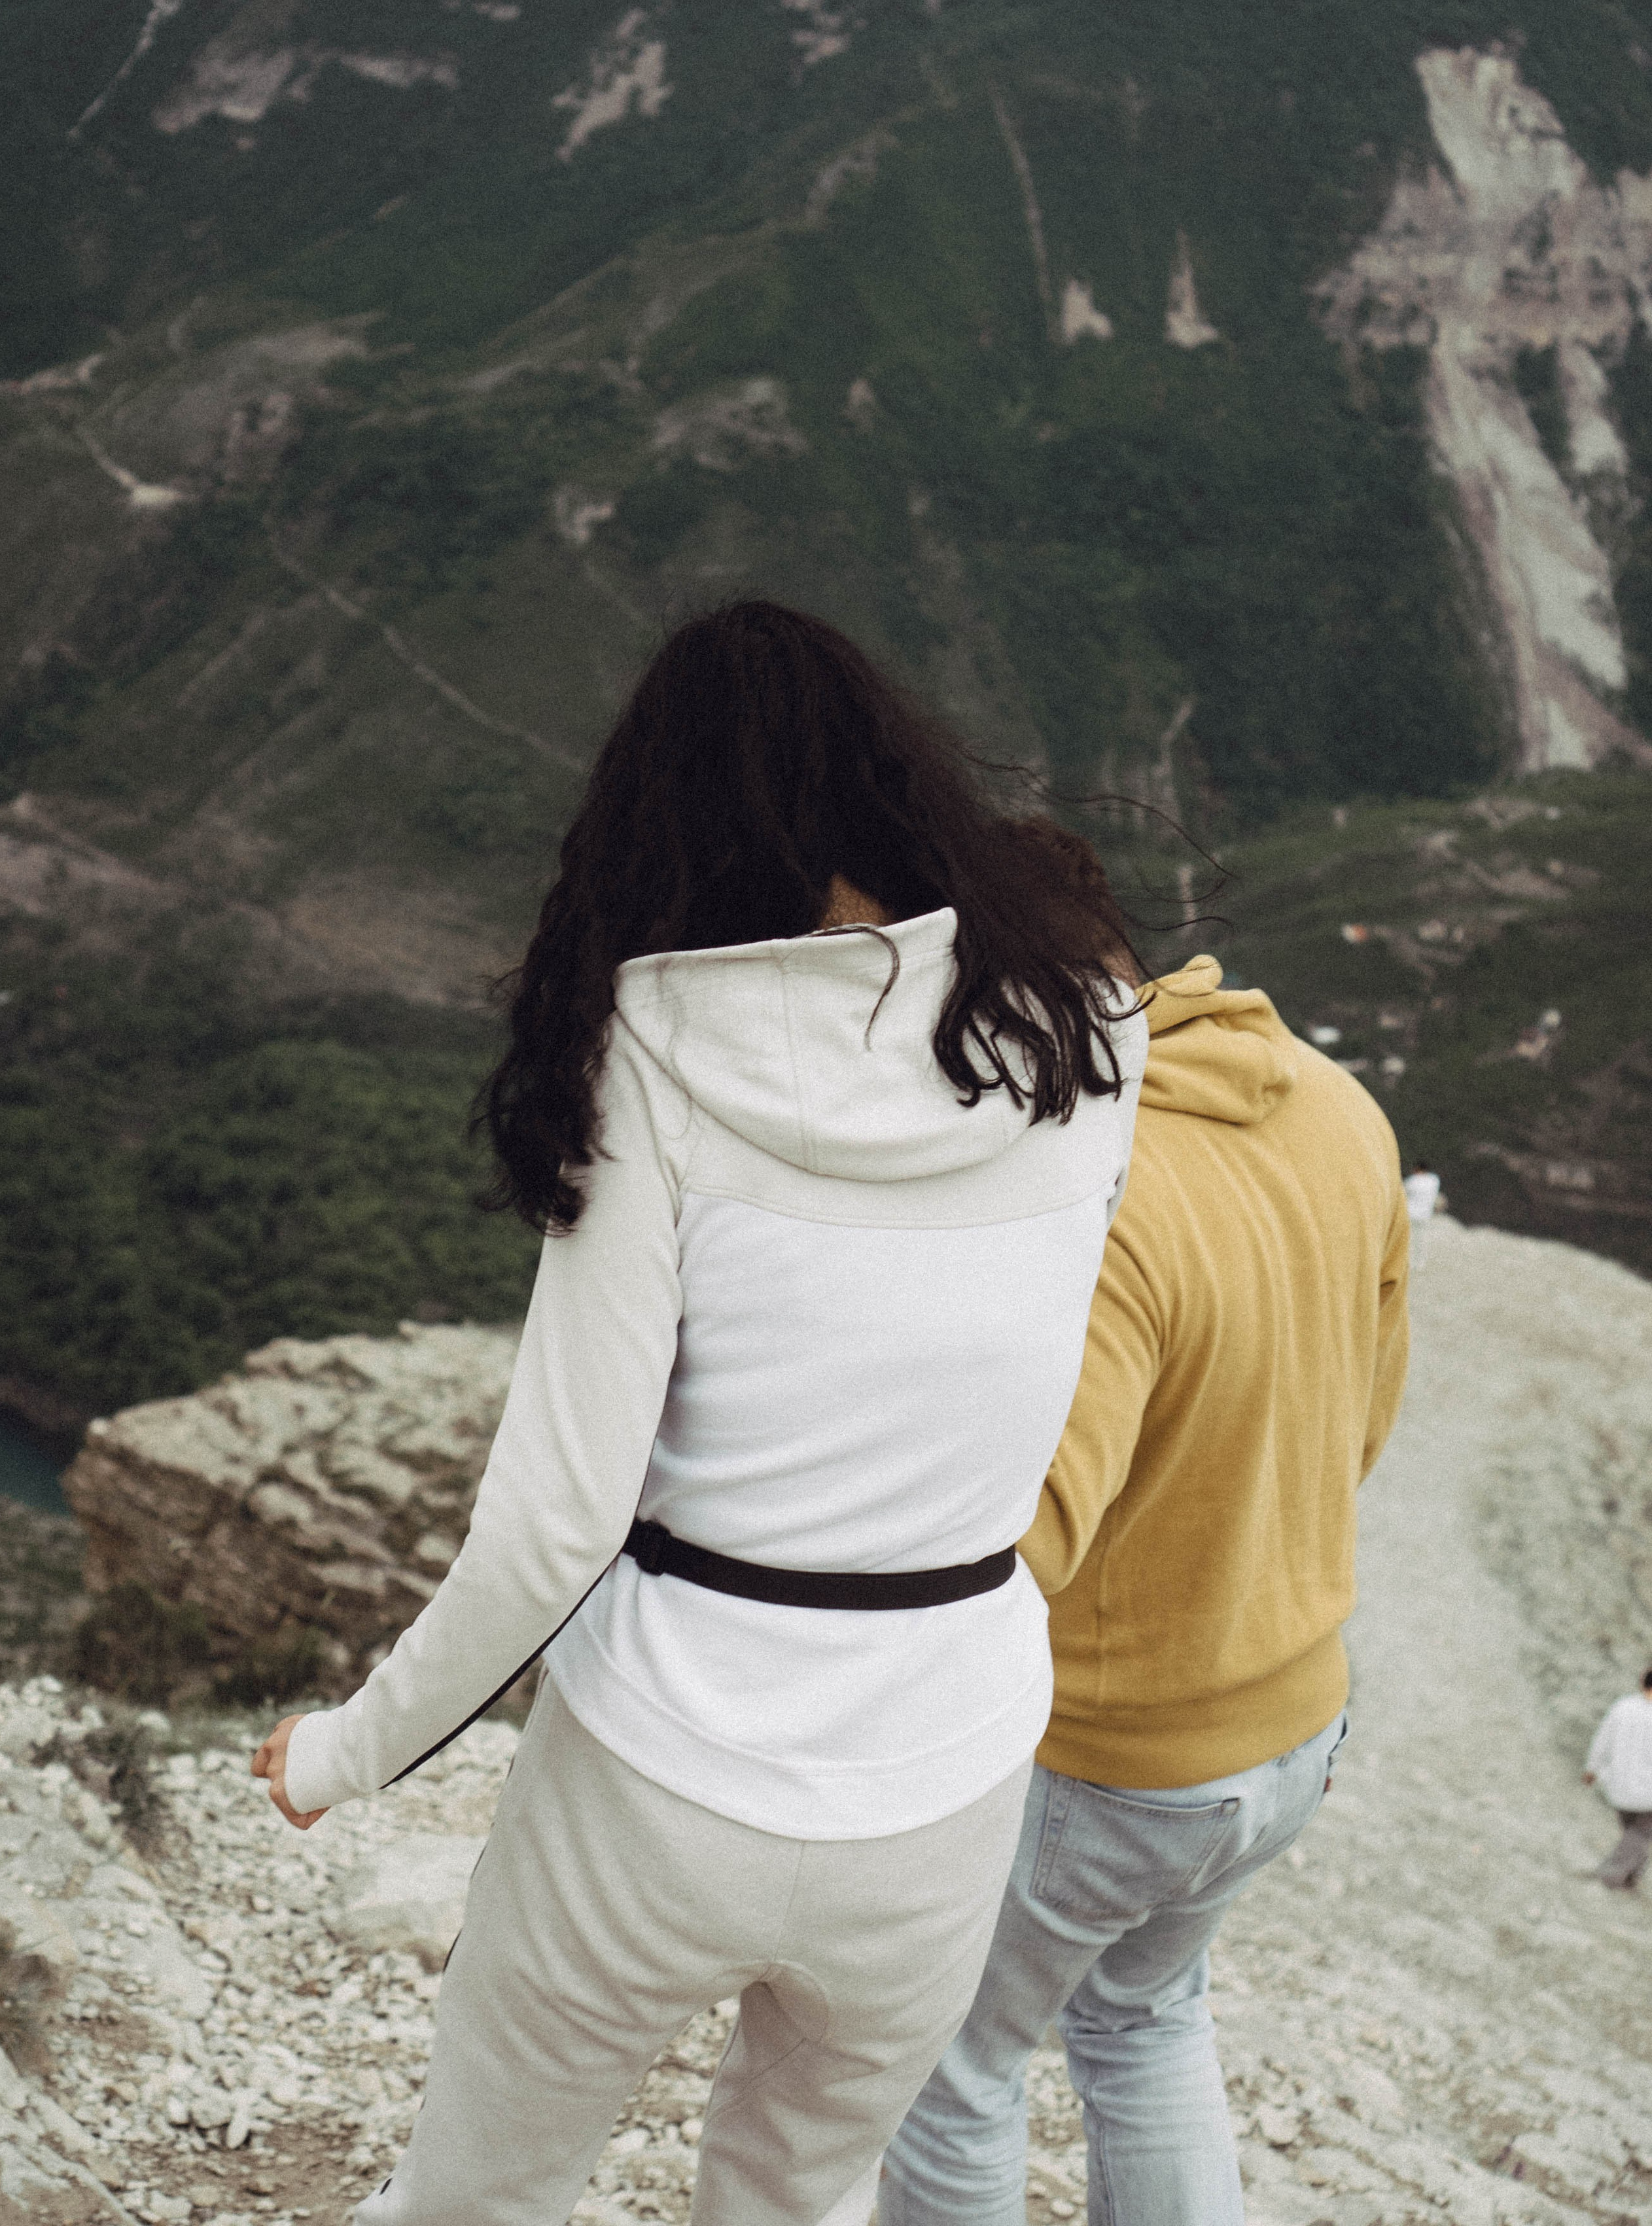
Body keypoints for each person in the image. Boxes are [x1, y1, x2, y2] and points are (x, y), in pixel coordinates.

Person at [251, 602, 1149, 2226]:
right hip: (944, 1772)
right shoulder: (1090, 1030)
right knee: (794, 2201)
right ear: (895, 781)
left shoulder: (652, 1045)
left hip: (665, 1766)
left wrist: (342, 1752)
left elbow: (555, 1520)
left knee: (478, 2197)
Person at [871, 956, 1409, 2226]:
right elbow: (1365, 1427)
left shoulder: (1106, 1197)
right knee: (1144, 2022)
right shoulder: (1340, 1108)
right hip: (1289, 1725)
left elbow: (1032, 1536)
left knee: (955, 2070)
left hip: (1107, 1758)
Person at [1584, 1668, 1652, 1888]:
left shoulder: (1623, 1707)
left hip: (1618, 1786)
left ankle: (1631, 1876)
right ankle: (1612, 1876)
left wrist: (1591, 1769)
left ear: (1643, 1683)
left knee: (1633, 1833)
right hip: (1647, 1794)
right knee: (1639, 1835)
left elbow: (1602, 1739)